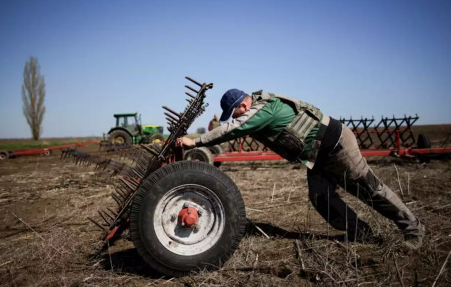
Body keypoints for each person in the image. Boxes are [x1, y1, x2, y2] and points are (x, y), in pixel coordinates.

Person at [180, 88, 425, 249]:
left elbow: (233, 129)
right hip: (317, 155)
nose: (235, 119)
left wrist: (196, 140)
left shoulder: (262, 110)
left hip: (336, 144)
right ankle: (360, 233)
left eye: (234, 114)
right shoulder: (258, 109)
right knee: (321, 197)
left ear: (243, 105)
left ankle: (413, 230)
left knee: (368, 189)